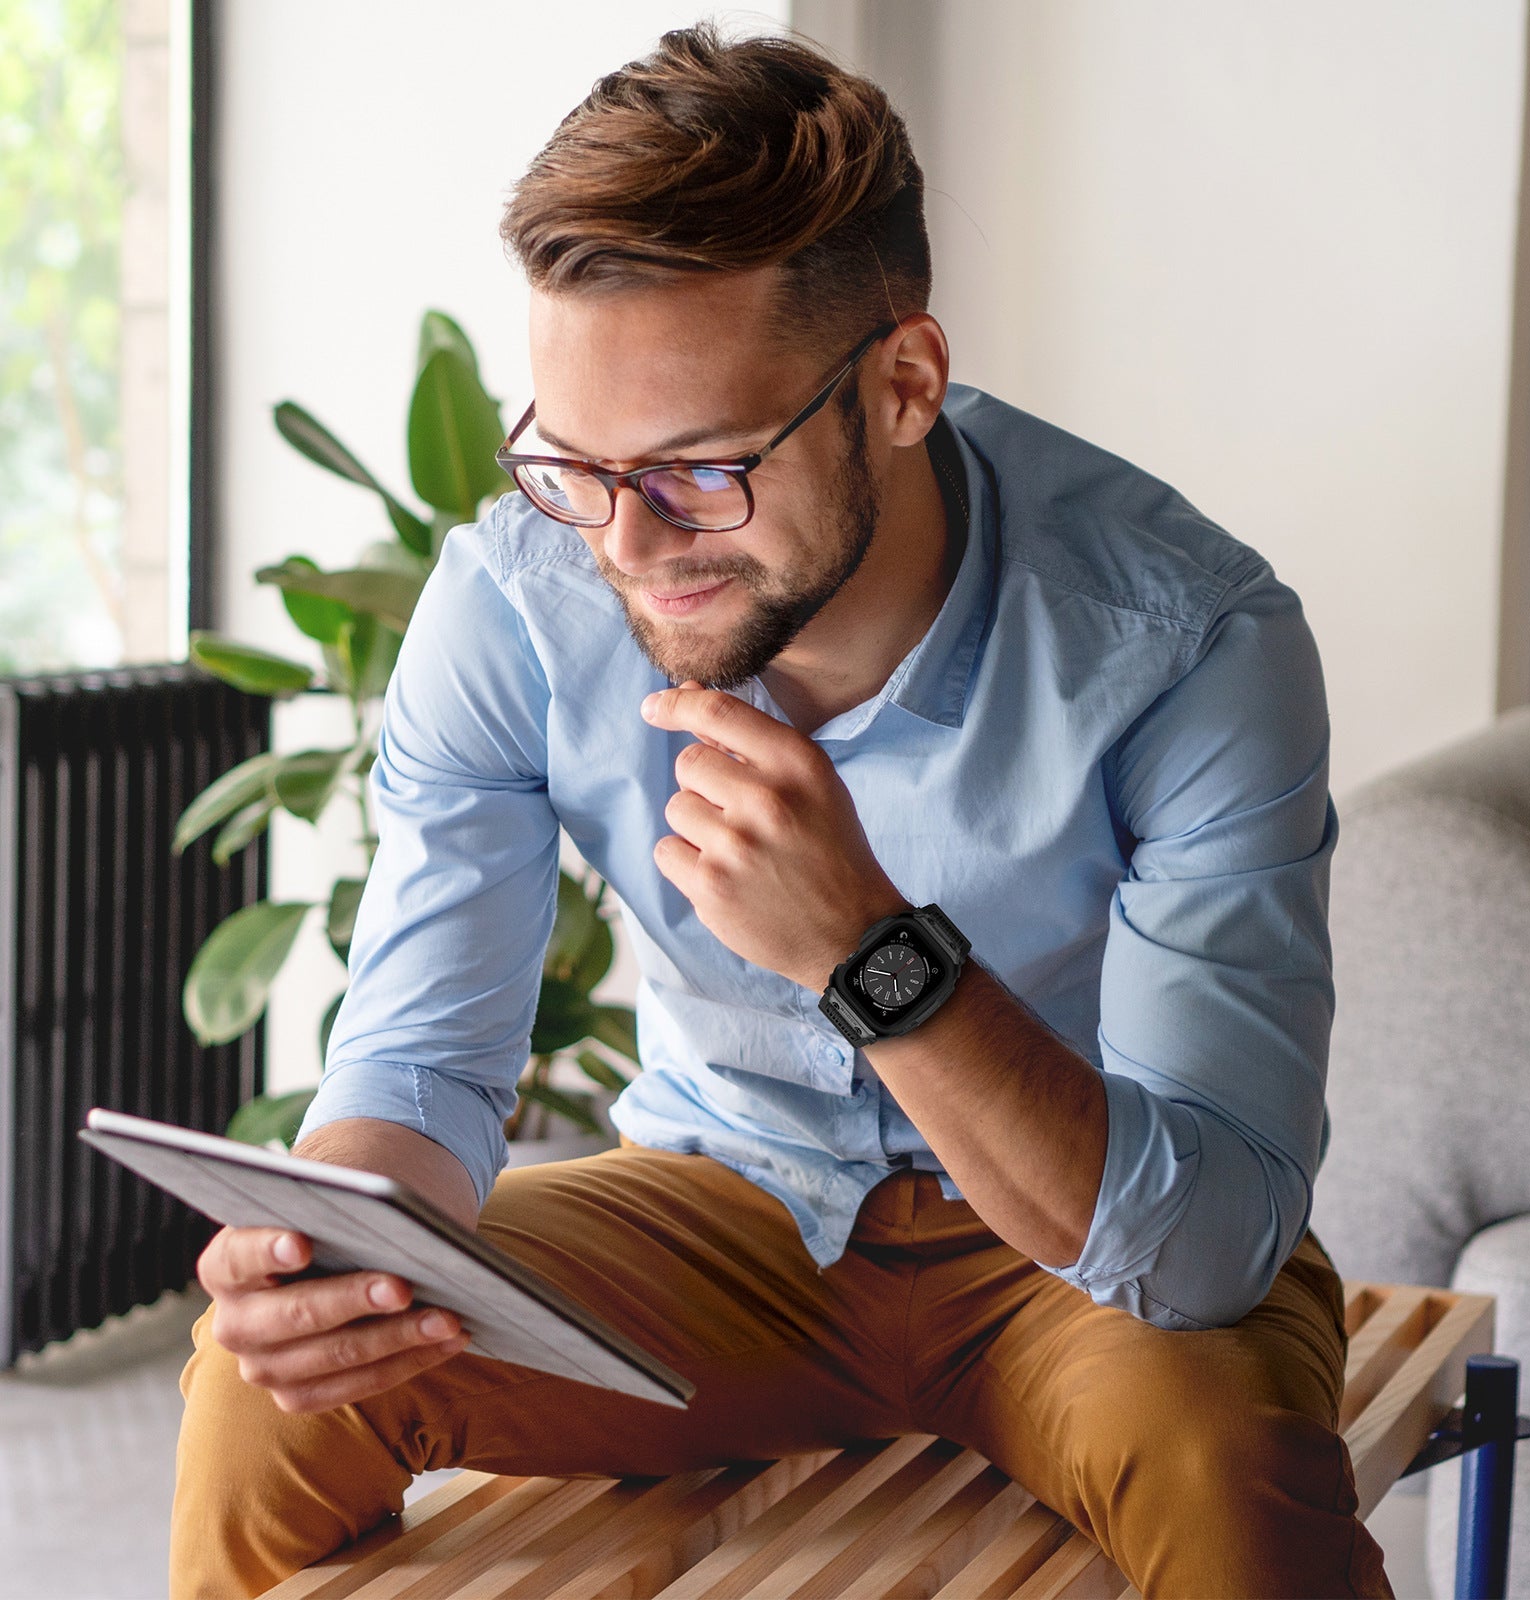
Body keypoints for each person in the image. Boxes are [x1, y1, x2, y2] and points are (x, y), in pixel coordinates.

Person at [172, 25, 1393, 1599]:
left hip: (1081, 1247)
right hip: (725, 1209)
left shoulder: (1188, 643)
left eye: (700, 469)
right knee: (268, 1393)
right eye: (574, 464)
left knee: (1233, 1479)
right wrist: (337, 1251)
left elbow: (1207, 1246)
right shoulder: (517, 602)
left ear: (904, 384)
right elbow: (420, 1063)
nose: (626, 544)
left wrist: (874, 955)